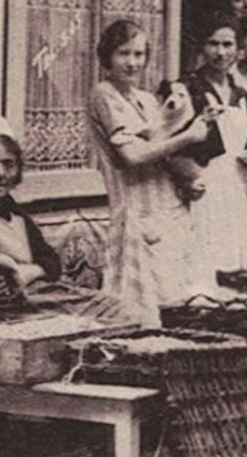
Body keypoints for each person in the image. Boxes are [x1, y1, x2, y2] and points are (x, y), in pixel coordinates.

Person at [0, 128, 140, 322]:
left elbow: (50, 261)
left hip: (43, 299)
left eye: (9, 164)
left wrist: (32, 271)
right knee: (119, 315)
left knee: (125, 310)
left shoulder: (15, 214)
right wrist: (0, 259)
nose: (0, 173)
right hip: (11, 311)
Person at [87, 20, 209, 325]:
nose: (132, 63)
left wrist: (189, 180)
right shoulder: (104, 95)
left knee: (179, 303)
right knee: (138, 311)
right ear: (107, 57)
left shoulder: (146, 99)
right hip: (136, 212)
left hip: (167, 209)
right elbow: (133, 155)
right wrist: (188, 136)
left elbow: (162, 152)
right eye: (123, 54)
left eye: (139, 54)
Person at [182, 14, 247, 283]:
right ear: (200, 47)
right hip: (206, 184)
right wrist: (189, 177)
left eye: (228, 44)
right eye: (213, 44)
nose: (221, 52)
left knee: (245, 262)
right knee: (209, 262)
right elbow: (172, 144)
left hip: (241, 184)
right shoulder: (187, 88)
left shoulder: (241, 94)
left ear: (238, 48)